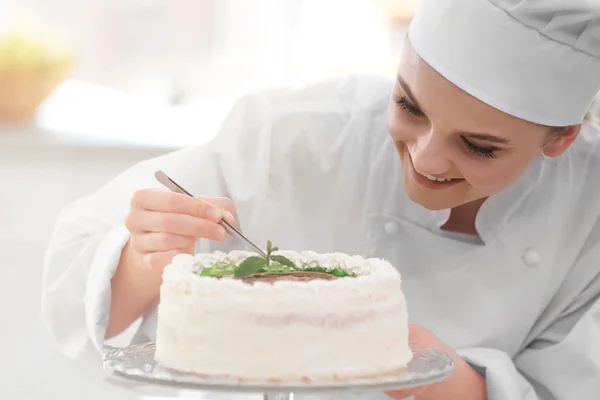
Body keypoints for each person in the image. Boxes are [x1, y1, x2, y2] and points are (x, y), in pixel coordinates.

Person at [42, 0, 600, 399]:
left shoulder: (590, 211)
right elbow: (78, 280)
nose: (427, 160)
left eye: (478, 146)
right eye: (409, 106)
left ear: (561, 137)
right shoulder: (291, 136)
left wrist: (446, 383)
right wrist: (142, 262)